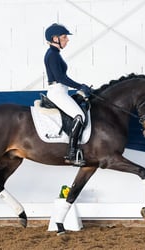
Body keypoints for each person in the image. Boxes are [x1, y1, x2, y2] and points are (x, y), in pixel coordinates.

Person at [44, 23, 91, 167]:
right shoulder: (52, 55)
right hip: (57, 92)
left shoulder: (55, 53)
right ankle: (71, 153)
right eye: (64, 37)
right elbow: (60, 77)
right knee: (80, 116)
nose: (67, 40)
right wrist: (80, 86)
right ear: (55, 38)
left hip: (61, 91)